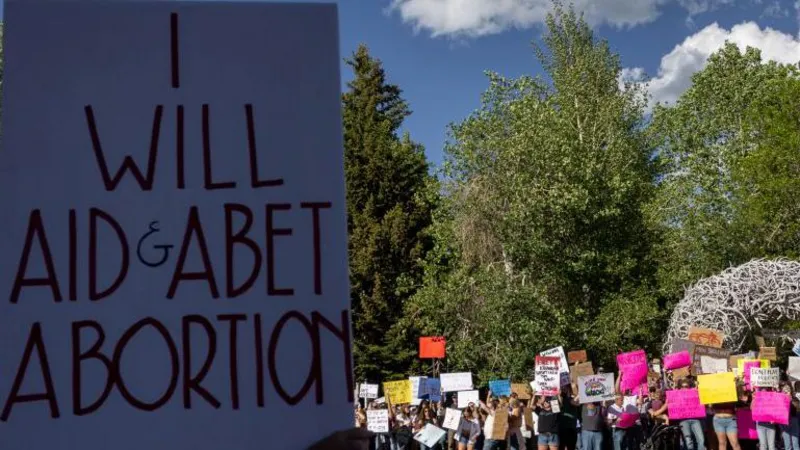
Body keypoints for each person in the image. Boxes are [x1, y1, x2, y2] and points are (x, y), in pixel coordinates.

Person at [675, 379, 706, 450]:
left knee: (701, 439)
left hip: (695, 419)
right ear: (680, 387)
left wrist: (698, 385)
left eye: (686, 386)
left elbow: (698, 389)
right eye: (682, 387)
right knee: (688, 440)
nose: (684, 388)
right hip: (684, 420)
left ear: (689, 387)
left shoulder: (694, 392)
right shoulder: (677, 395)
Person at [782, 382, 800, 450]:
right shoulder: (780, 400)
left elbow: (797, 408)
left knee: (795, 443)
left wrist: (790, 401)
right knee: (787, 444)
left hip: (793, 420)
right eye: (785, 391)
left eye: (788, 391)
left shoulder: (794, 399)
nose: (786, 393)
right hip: (784, 422)